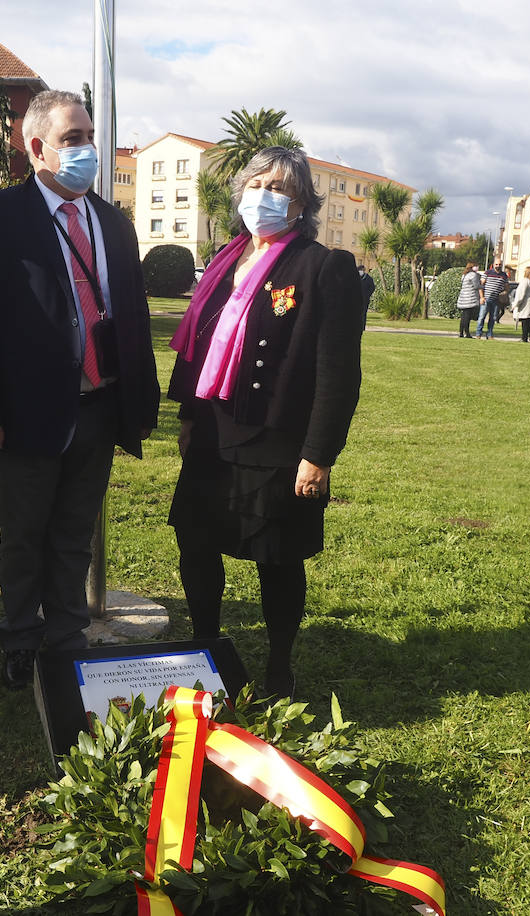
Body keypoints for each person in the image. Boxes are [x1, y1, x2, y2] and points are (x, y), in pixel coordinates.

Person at [0, 89, 160, 690]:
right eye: (73, 140)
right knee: (24, 535)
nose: (86, 150)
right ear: (36, 147)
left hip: (98, 405)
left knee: (72, 534)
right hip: (25, 413)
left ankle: (66, 637)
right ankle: (20, 638)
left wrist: (135, 404)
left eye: (88, 137)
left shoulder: (113, 222)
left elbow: (135, 317)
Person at [167, 147, 362, 697]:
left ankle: (280, 666)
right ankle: (207, 649)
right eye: (257, 183)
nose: (265, 196)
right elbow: (199, 346)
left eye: (280, 187)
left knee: (277, 557)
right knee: (196, 542)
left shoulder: (323, 266)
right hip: (213, 430)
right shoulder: (225, 260)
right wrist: (187, 414)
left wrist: (319, 453)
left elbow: (338, 372)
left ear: (302, 204)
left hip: (279, 439)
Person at [477, 261, 509, 338]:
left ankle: (490, 334)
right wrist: (481, 297)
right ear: (493, 265)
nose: (498, 266)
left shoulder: (504, 275)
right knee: (482, 317)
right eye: (496, 264)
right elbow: (481, 285)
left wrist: (504, 293)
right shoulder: (488, 273)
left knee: (493, 318)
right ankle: (479, 333)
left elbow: (507, 287)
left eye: (500, 264)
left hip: (496, 300)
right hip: (486, 298)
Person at [511, 265, 530, 342]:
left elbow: (520, 294)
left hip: (526, 303)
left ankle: (524, 337)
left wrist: (515, 304)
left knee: (524, 321)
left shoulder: (525, 281)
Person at [456, 262, 482, 338]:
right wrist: (483, 286)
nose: (477, 268)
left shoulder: (464, 275)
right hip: (470, 299)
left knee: (463, 316)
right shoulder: (473, 275)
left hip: (463, 298)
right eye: (476, 266)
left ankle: (461, 332)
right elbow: (476, 286)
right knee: (467, 317)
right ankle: (467, 333)